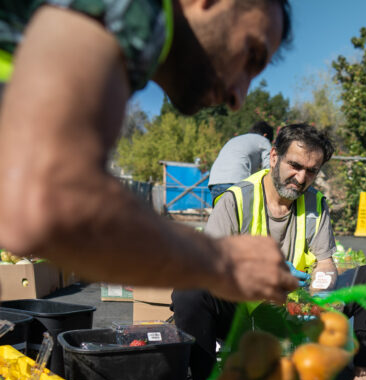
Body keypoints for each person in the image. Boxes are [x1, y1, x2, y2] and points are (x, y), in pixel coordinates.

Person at [0, 0, 299, 306]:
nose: (239, 97)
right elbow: (49, 205)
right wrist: (225, 261)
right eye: (251, 54)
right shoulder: (135, 8)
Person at [172, 123, 366, 380]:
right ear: (273, 157)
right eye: (295, 165)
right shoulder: (236, 200)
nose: (301, 178)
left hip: (295, 308)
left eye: (311, 171)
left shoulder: (316, 204)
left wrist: (321, 288)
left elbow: (325, 262)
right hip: (245, 308)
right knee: (190, 291)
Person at [208, 120, 274, 203]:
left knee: (221, 215)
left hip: (215, 182)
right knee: (241, 214)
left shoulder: (237, 139)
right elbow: (268, 165)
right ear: (265, 135)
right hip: (236, 181)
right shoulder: (263, 140)